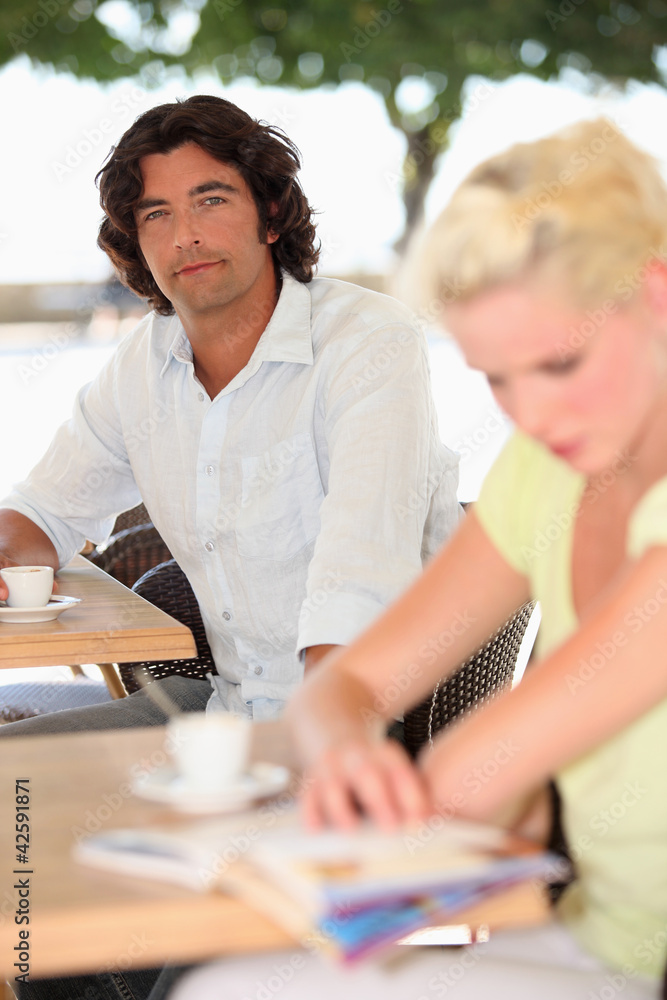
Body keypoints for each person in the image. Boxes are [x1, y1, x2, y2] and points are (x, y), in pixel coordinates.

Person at [169, 118, 667, 1000]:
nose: (532, 415)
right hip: (601, 946)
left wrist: (407, 798)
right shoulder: (547, 470)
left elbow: (480, 775)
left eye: (559, 362)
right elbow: (345, 686)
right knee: (228, 987)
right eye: (497, 377)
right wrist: (346, 746)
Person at [0, 95, 460, 1000]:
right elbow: (41, 515)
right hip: (216, 713)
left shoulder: (367, 344)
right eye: (156, 214)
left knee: (181, 951)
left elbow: (357, 576)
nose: (186, 235)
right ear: (136, 244)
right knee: (20, 814)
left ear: (270, 211)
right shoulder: (144, 366)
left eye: (211, 199)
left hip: (348, 741)